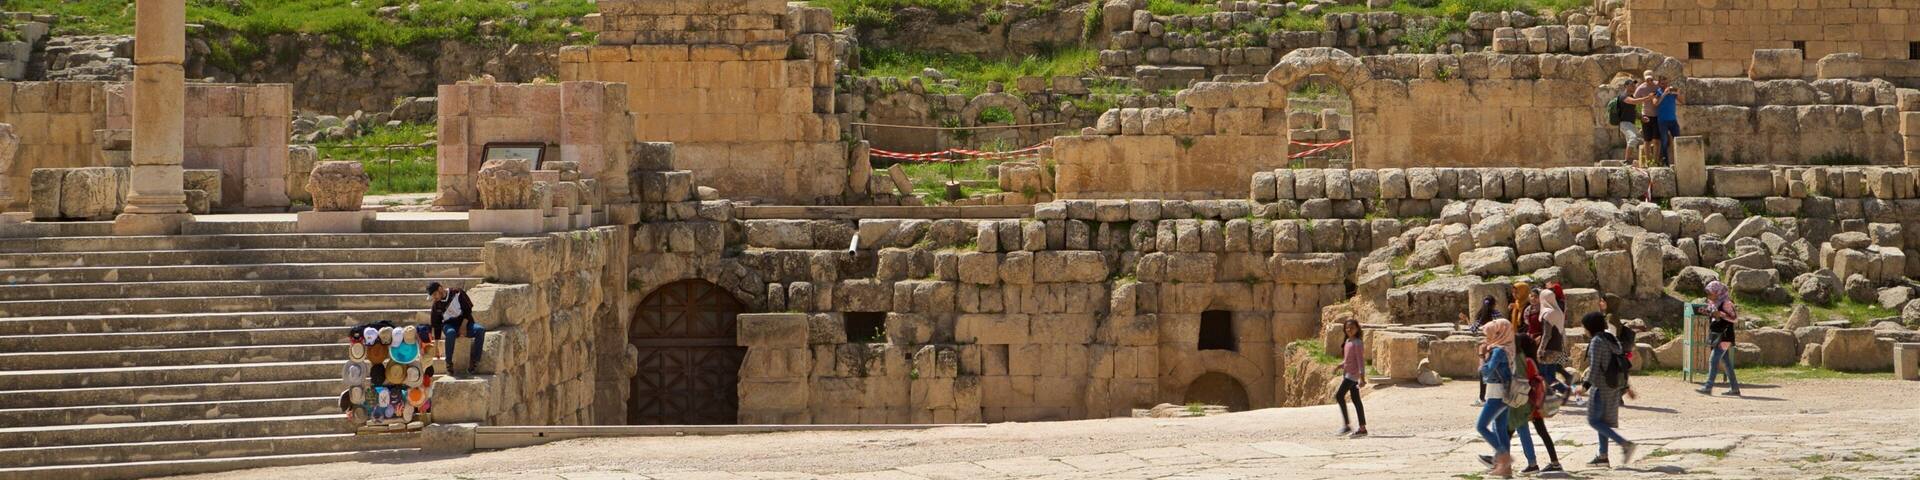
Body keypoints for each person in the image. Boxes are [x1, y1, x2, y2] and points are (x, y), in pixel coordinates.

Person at [1575, 312, 1637, 468]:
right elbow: (1620, 362)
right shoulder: (1610, 338)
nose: (1583, 330)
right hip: (1613, 386)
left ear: (1590, 327)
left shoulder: (1596, 341)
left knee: (1593, 420)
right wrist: (1626, 386)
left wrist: (1585, 386)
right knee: (1602, 422)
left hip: (1600, 387)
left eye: (1584, 327)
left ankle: (1624, 444)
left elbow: (1595, 366)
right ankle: (1603, 456)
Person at [1474, 319, 1519, 478]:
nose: (1486, 338)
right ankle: (1506, 470)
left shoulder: (1499, 351)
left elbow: (1486, 371)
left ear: (1497, 334)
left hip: (1496, 394)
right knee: (1499, 429)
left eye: (1488, 334)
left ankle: (1504, 458)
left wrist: (1481, 355)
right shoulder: (1507, 347)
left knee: (1480, 426)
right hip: (1503, 394)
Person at [428, 282, 484, 374]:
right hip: (449, 325)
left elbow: (468, 309)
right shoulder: (436, 305)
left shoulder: (457, 293)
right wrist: (436, 347)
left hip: (465, 322)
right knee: (450, 333)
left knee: (480, 330)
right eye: (432, 296)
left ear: (440, 289)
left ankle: (474, 361)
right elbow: (436, 325)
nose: (434, 298)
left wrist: (463, 326)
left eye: (435, 294)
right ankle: (449, 362)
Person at [1699, 281, 1743, 396]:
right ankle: (1735, 389)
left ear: (1717, 292)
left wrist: (1721, 315)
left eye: (1711, 293)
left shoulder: (1726, 303)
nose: (1709, 296)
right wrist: (1706, 312)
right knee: (1726, 363)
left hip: (1725, 337)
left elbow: (1734, 319)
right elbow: (1714, 315)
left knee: (1713, 360)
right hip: (1717, 335)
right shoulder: (1713, 302)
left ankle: (1708, 387)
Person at [1335, 319, 1369, 438]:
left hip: (1353, 375)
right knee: (1356, 400)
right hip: (1348, 373)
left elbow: (1360, 361)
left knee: (1339, 395)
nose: (1349, 330)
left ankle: (1347, 425)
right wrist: (1341, 364)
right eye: (1347, 328)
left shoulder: (1357, 343)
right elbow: (1349, 359)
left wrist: (1362, 377)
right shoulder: (1348, 341)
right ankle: (1362, 428)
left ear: (1357, 328)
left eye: (1352, 327)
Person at [1537, 283, 1573, 395]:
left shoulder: (1547, 313)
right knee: (1550, 374)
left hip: (1548, 348)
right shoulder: (1558, 311)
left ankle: (1563, 390)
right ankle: (1553, 394)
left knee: (1544, 375)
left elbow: (1547, 334)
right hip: (1557, 346)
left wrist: (1541, 349)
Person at [1652, 76, 1683, 166]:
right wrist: (1664, 94)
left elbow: (1682, 101)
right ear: (1659, 83)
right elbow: (1655, 103)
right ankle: (1665, 162)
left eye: (1666, 83)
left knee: (1678, 140)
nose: (1664, 85)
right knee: (1664, 141)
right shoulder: (1657, 92)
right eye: (1662, 83)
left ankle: (1680, 161)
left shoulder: (1672, 92)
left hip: (1673, 120)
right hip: (1662, 121)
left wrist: (1678, 93)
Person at [1611, 79, 1644, 164]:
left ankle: (1629, 161)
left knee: (1635, 140)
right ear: (1625, 86)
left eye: (1634, 85)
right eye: (1631, 85)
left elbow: (1633, 111)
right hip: (1624, 123)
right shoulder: (1623, 96)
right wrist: (1648, 98)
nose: (1634, 87)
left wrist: (1641, 117)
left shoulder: (1631, 96)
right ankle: (1626, 160)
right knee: (1633, 138)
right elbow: (1634, 102)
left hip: (1631, 124)